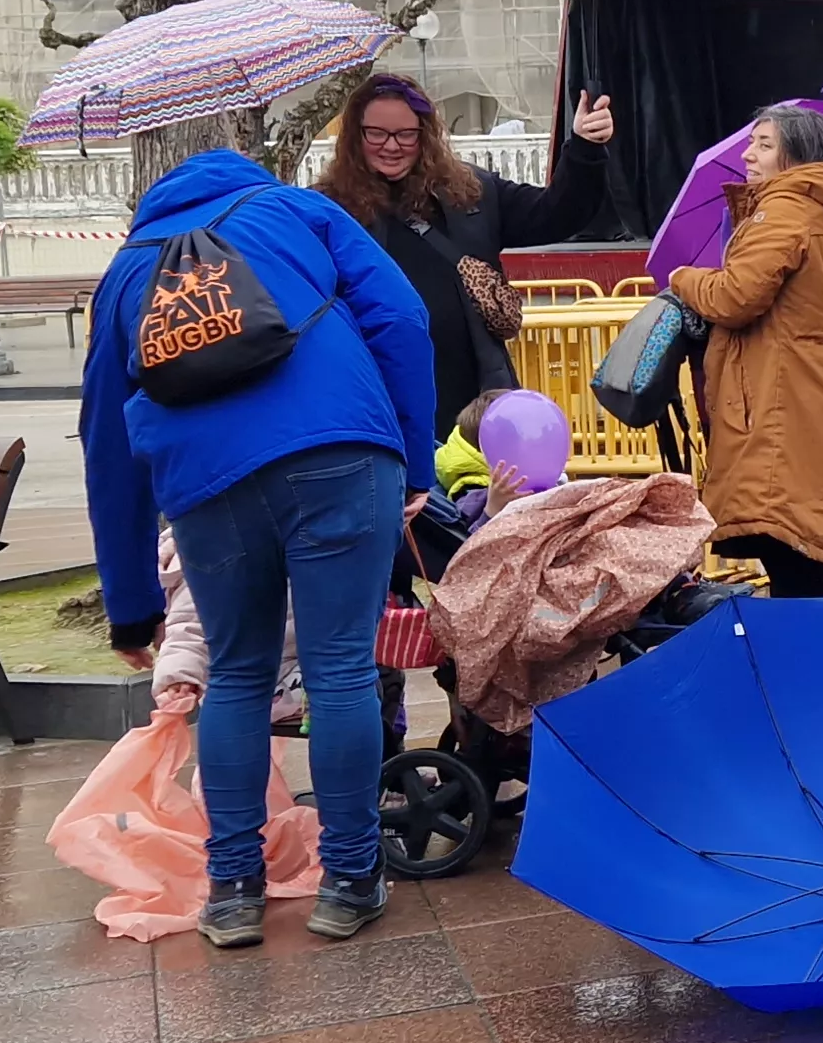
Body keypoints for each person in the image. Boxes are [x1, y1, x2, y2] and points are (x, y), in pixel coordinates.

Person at [87, 147, 440, 950]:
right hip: (340, 449)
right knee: (340, 669)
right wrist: (415, 459)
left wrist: (132, 606)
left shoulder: (127, 272)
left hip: (206, 482)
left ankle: (234, 892)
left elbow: (107, 445)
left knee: (238, 675)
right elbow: (402, 320)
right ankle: (349, 881)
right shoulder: (299, 211)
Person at [313, 73, 617, 433]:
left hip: (472, 402)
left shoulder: (470, 191)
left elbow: (555, 214)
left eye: (406, 134)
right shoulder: (326, 210)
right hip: (377, 399)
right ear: (355, 135)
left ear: (424, 135)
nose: (391, 146)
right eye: (376, 133)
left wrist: (584, 149)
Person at [668, 104, 823, 598]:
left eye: (764, 145)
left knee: (792, 552)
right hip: (810, 394)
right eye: (751, 143)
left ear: (798, 157)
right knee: (812, 553)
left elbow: (733, 297)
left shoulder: (784, 210)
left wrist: (683, 278)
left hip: (781, 402)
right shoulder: (817, 210)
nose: (748, 154)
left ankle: (803, 648)